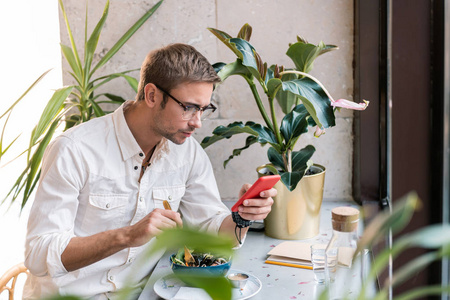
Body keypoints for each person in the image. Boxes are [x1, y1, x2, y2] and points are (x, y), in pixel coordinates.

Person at [23, 43, 276, 299]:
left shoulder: (187, 153)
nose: (197, 122)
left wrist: (243, 216)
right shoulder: (74, 150)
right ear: (152, 95)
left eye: (203, 109)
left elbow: (212, 230)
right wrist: (126, 236)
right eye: (188, 107)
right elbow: (38, 254)